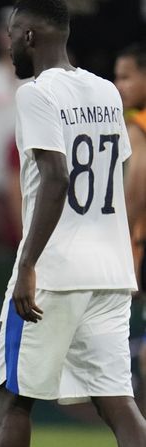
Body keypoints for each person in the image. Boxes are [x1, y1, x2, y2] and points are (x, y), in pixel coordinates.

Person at [0, 0, 146, 446]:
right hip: (111, 271)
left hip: (54, 272)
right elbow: (121, 169)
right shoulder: (107, 91)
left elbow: (56, 178)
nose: (10, 44)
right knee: (118, 400)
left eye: (14, 34)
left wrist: (27, 265)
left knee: (12, 399)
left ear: (30, 35)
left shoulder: (35, 93)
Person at [114, 42, 146, 413]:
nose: (118, 84)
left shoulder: (136, 125)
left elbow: (136, 190)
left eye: (126, 76)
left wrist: (125, 248)